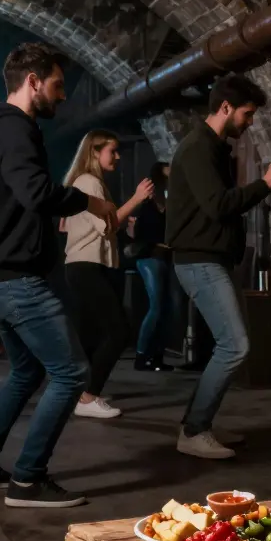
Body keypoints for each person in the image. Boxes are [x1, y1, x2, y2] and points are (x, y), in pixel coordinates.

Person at [0, 42, 117, 507]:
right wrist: (89, 200)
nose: (62, 95)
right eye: (57, 84)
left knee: (26, 371)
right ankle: (27, 479)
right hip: (14, 278)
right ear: (32, 82)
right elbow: (35, 191)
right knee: (71, 373)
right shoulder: (14, 129)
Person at [166, 73, 271, 459]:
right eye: (247, 114)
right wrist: (265, 183)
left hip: (210, 259)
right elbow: (218, 205)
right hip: (199, 261)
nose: (249, 122)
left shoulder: (215, 148)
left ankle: (196, 424)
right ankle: (195, 430)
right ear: (225, 108)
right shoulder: (199, 148)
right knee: (235, 345)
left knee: (228, 344)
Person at [61, 130, 155, 418]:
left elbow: (64, 226)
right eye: (112, 151)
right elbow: (108, 224)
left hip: (84, 266)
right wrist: (137, 198)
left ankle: (80, 393)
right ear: (94, 152)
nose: (117, 156)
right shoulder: (89, 182)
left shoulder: (85, 182)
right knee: (117, 331)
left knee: (90, 334)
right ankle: (89, 396)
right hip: (86, 266)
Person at [129, 161, 176, 372]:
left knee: (168, 309)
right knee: (156, 306)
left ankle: (157, 357)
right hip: (150, 257)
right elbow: (137, 232)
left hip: (167, 257)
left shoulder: (171, 204)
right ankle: (141, 355)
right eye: (166, 176)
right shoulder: (148, 203)